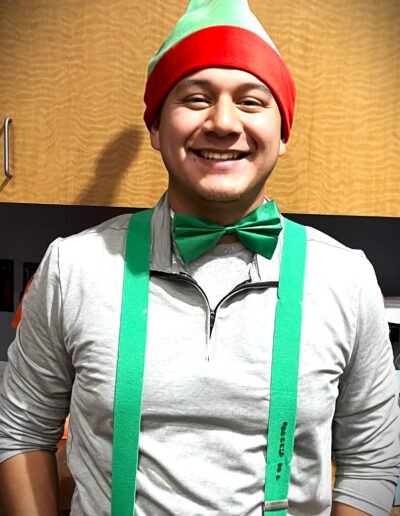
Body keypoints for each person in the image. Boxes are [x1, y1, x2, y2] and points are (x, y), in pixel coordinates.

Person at [0, 1, 399, 515]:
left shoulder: (346, 279)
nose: (224, 123)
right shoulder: (71, 268)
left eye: (251, 101)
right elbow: (21, 430)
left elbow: (371, 461)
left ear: (282, 134)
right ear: (155, 127)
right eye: (196, 98)